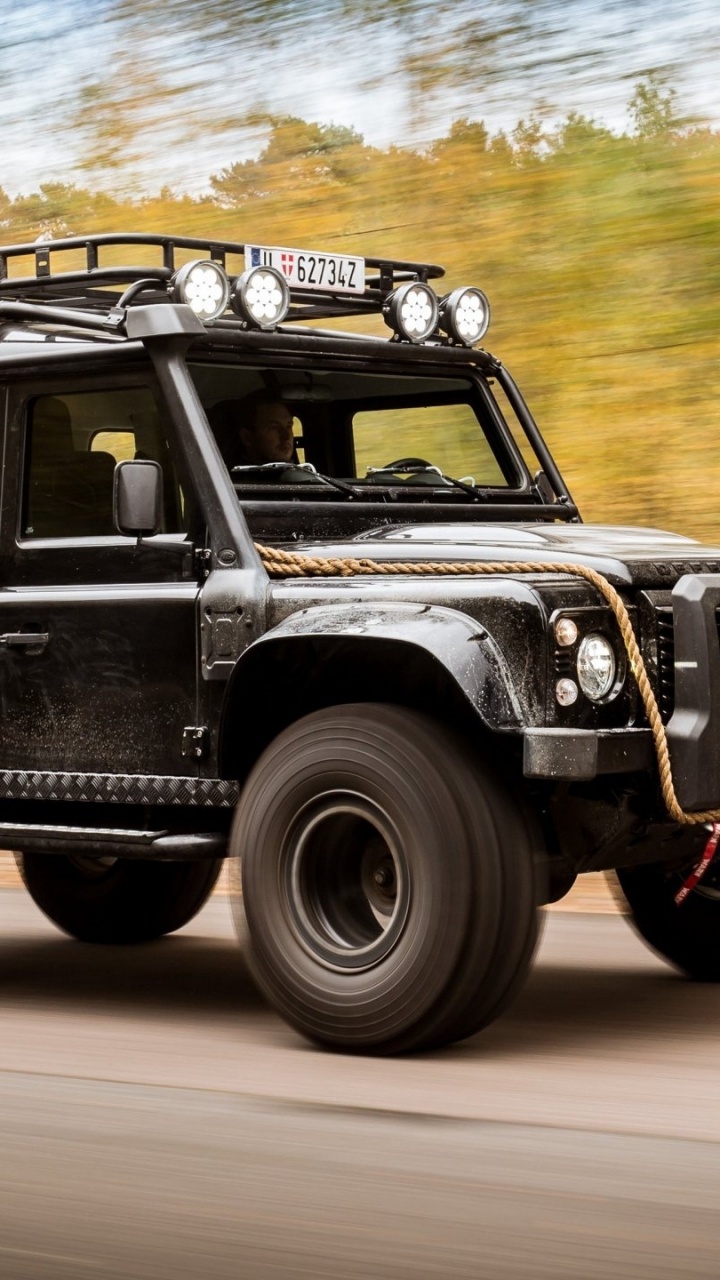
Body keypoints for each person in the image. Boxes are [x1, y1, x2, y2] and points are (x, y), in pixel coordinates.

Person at [209, 391, 296, 468]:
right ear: (247, 437)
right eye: (274, 427)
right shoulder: (230, 479)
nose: (286, 436)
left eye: (289, 426)